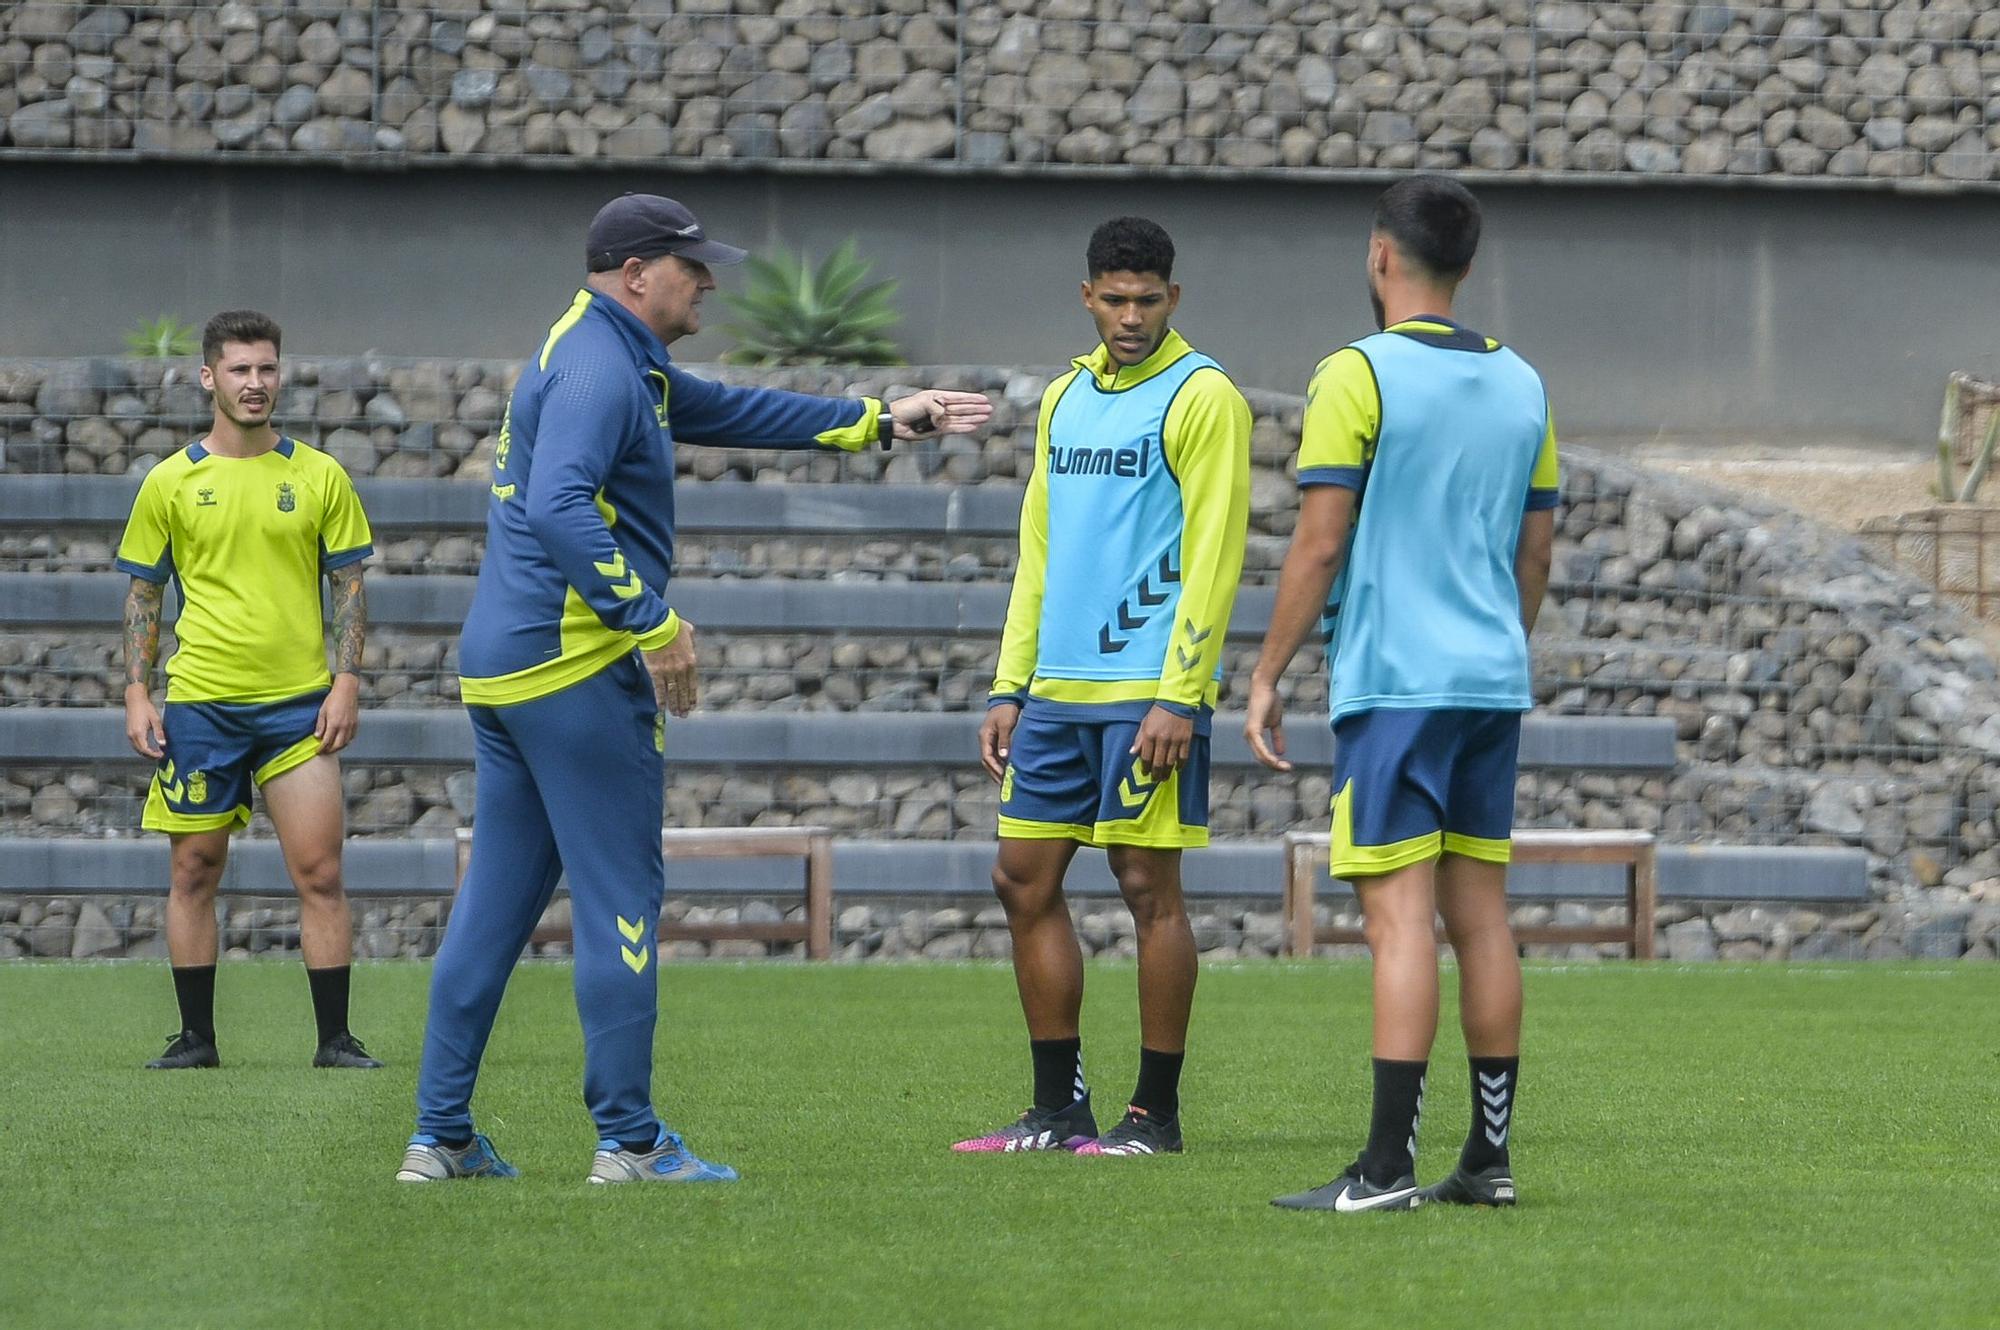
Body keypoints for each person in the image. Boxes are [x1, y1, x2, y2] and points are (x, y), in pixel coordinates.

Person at [399, 193, 992, 1185]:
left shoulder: (602, 349)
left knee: (492, 906)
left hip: (503, 668)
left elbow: (719, 407)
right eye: (693, 266)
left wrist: (877, 421)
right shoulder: (600, 368)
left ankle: (439, 1133)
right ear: (636, 273)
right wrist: (651, 621)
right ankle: (628, 1142)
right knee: (620, 899)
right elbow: (556, 503)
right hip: (576, 671)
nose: (709, 281)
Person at [1246, 175, 1557, 1212]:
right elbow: (1533, 551)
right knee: (1481, 918)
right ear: (1463, 267)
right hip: (1487, 681)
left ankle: (1382, 1169)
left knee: (1396, 921)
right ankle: (1489, 1159)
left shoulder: (1354, 374)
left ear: (1381, 255)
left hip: (1395, 684)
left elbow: (1320, 540)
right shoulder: (1524, 382)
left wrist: (1263, 672)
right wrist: (1494, 649)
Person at [953, 217, 1250, 1159]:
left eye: (1147, 300)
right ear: (1088, 296)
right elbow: (1038, 548)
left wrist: (1181, 695)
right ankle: (1056, 1109)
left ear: (1174, 297)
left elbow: (1213, 554)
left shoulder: (1204, 397)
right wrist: (1010, 683)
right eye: (1114, 300)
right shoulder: (1065, 398)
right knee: (1021, 878)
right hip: (1053, 695)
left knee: (1144, 886)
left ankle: (1151, 1118)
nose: (1129, 316)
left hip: (1146, 692)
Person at [117, 309, 381, 1072]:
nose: (255, 383)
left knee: (321, 872)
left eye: (266, 368)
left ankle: (335, 1040)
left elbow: (350, 588)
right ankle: (196, 1039)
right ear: (209, 378)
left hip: (299, 705)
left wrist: (348, 682)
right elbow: (143, 596)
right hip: (201, 704)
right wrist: (138, 693)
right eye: (239, 369)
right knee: (193, 870)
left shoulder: (320, 474)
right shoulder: (170, 480)